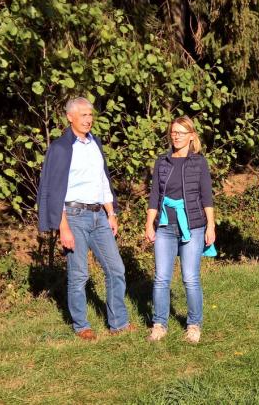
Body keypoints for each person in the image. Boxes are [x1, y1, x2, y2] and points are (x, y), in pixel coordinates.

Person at [37, 97, 134, 340]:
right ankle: (81, 325)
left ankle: (118, 323)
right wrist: (63, 228)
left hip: (99, 216)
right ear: (70, 117)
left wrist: (111, 213)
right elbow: (53, 189)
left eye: (90, 115)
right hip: (74, 216)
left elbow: (102, 181)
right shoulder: (61, 148)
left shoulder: (94, 143)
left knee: (116, 269)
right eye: (83, 115)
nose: (88, 119)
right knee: (79, 274)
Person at [145, 116, 216, 343]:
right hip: (165, 226)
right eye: (173, 132)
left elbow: (207, 196)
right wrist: (149, 223)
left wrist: (210, 226)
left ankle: (194, 325)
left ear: (191, 136)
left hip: (193, 226)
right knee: (161, 278)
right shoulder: (162, 162)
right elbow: (155, 195)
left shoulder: (199, 162)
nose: (176, 136)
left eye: (181, 132)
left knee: (190, 278)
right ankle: (159, 324)